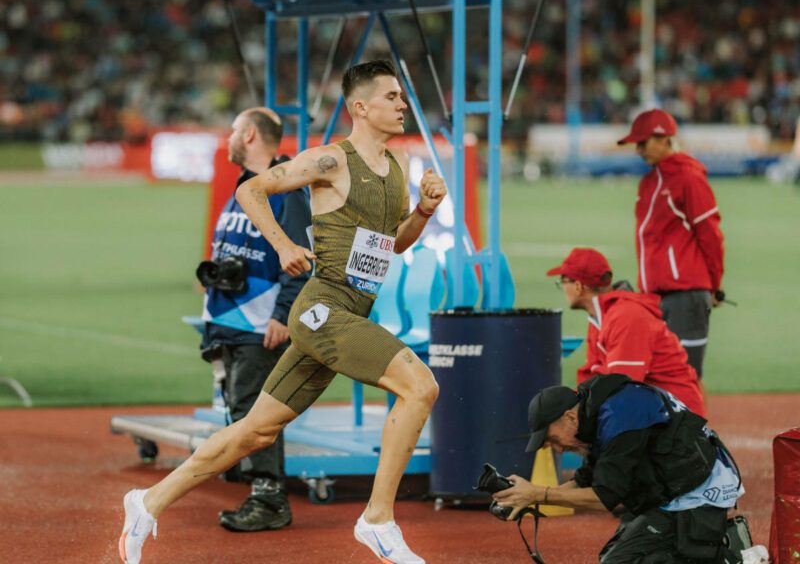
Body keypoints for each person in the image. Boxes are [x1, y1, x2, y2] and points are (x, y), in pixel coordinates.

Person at [118, 60, 446, 564]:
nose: (403, 104)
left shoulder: (396, 168)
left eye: (403, 97)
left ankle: (147, 502)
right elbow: (250, 189)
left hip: (349, 312)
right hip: (322, 310)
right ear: (361, 106)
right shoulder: (330, 161)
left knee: (256, 431)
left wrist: (423, 211)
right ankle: (378, 519)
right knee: (421, 386)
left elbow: (394, 245)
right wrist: (282, 244)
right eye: (393, 96)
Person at [494, 374, 744, 563]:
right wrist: (525, 497)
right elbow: (585, 481)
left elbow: (604, 497)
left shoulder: (621, 414)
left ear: (569, 417)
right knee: (613, 555)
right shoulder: (597, 413)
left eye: (553, 439)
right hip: (674, 490)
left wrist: (539, 493)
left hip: (696, 495)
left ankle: (730, 555)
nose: (557, 449)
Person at [200, 107, 311, 531]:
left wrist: (283, 315)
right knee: (240, 408)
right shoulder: (244, 187)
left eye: (232, 131)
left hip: (260, 323)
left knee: (254, 414)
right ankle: (257, 486)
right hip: (231, 320)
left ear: (248, 135)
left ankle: (269, 499)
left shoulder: (285, 190)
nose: (227, 139)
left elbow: (302, 257)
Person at [617, 109, 725, 381]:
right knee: (660, 376)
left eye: (643, 142)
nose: (638, 149)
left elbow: (710, 234)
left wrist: (714, 283)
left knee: (686, 378)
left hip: (685, 294)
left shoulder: (689, 177)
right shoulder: (650, 182)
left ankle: (698, 426)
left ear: (665, 139)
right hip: (656, 296)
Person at [547, 247, 705, 417]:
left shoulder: (627, 317)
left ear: (578, 286)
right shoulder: (601, 317)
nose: (562, 287)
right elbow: (591, 377)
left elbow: (622, 387)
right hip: (655, 410)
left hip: (678, 420)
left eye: (563, 281)